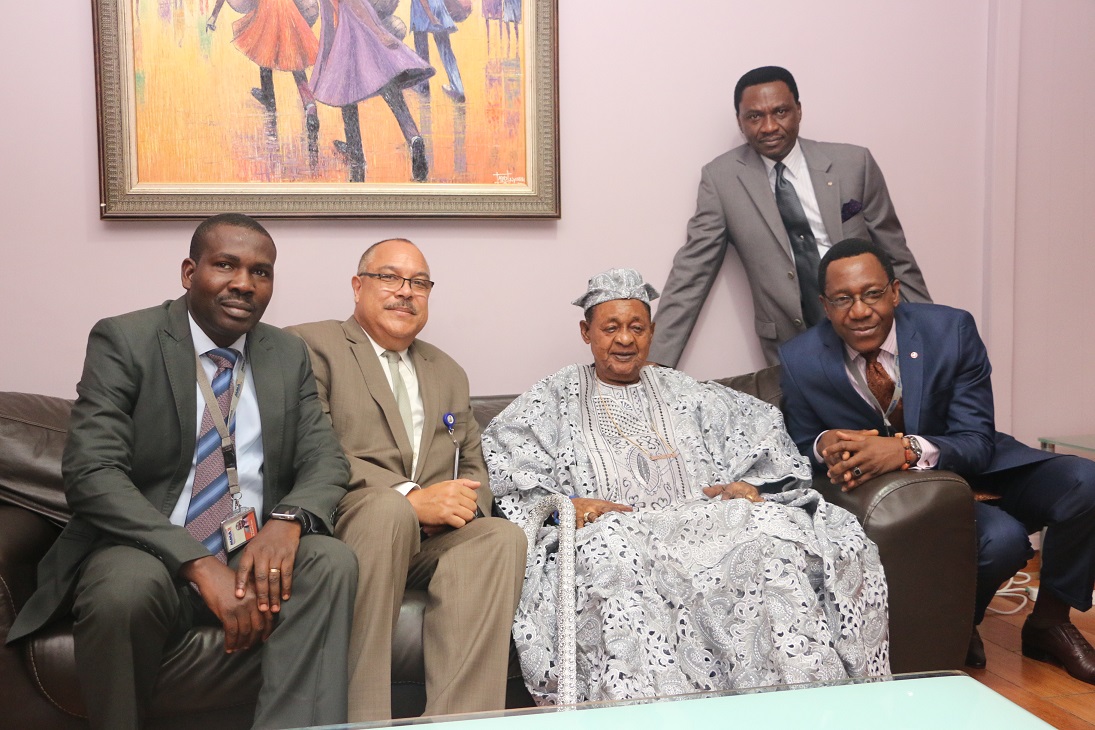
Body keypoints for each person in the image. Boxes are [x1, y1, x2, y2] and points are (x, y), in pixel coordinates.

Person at [7, 214, 357, 729]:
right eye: (226, 265)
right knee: (123, 586)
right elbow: (91, 473)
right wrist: (197, 562)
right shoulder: (126, 340)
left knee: (330, 561)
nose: (244, 283)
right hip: (147, 549)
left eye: (261, 272)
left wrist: (287, 521)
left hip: (251, 550)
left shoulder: (286, 353)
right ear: (189, 272)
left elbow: (326, 458)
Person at [481, 268, 889, 704]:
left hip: (704, 522)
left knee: (773, 539)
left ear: (652, 331)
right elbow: (509, 463)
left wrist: (748, 485)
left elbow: (762, 430)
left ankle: (802, 705)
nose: (625, 339)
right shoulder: (555, 395)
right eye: (611, 328)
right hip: (616, 532)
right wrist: (567, 505)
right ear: (586, 332)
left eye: (637, 327)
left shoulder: (685, 390)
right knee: (611, 553)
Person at [778, 238, 1095, 683]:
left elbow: (977, 440)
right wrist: (825, 442)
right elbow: (799, 443)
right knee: (999, 540)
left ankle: (1050, 622)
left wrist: (906, 448)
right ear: (824, 306)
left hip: (976, 463)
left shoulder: (950, 330)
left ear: (894, 291)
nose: (860, 311)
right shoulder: (800, 359)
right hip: (904, 497)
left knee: (1085, 480)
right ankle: (957, 622)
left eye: (872, 294)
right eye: (843, 299)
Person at [288, 239, 526, 722]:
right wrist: (411, 498)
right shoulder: (312, 346)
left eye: (419, 283)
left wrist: (458, 509)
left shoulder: (448, 372)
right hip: (349, 523)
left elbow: (474, 465)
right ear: (358, 286)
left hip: (427, 541)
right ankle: (365, 720)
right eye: (390, 277)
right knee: (387, 510)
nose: (406, 292)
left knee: (501, 536)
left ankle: (461, 722)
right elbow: (312, 448)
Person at [650, 66, 932, 368]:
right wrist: (655, 365)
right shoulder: (721, 180)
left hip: (872, 325)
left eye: (780, 111)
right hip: (793, 345)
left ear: (798, 111)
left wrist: (934, 334)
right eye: (754, 116)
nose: (769, 126)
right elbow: (692, 272)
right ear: (740, 121)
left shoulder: (853, 164)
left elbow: (896, 256)